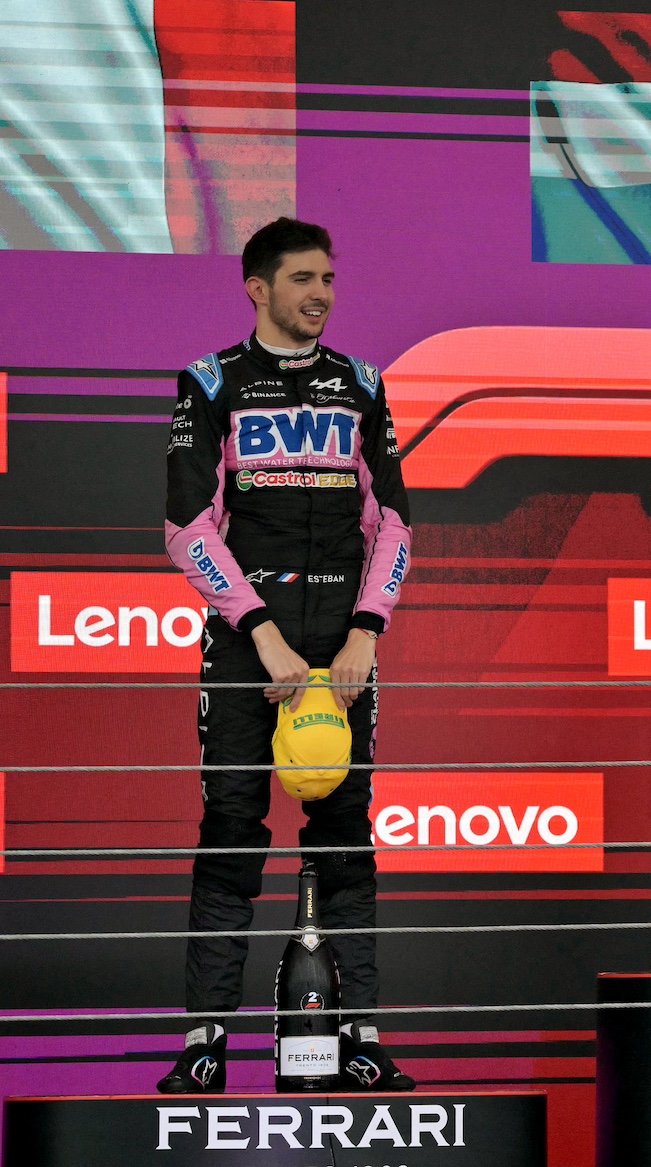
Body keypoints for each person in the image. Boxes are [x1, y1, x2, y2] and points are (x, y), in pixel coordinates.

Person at [157, 217, 415, 1093]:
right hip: (247, 648)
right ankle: (204, 1044)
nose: (322, 295)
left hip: (343, 651)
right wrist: (260, 632)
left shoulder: (364, 386)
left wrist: (365, 633)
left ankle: (363, 1035)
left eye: (330, 280)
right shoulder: (209, 383)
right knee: (232, 828)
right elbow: (187, 529)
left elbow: (397, 527)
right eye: (303, 279)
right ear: (257, 289)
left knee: (345, 836)